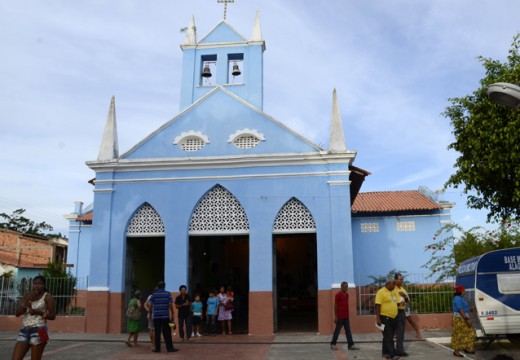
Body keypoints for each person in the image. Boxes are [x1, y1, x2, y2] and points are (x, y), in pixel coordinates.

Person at [12, 275, 56, 360]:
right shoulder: (28, 295)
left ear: (44, 285)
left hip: (40, 330)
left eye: (40, 284)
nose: (37, 286)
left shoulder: (47, 297)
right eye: (35, 283)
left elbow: (53, 316)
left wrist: (38, 312)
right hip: (25, 330)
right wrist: (26, 301)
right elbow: (17, 314)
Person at [149, 281, 178, 353]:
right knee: (167, 333)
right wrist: (172, 312)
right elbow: (170, 304)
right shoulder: (167, 294)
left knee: (157, 332)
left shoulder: (154, 294)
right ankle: (170, 348)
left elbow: (150, 305)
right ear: (164, 286)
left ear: (158, 286)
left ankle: (157, 349)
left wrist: (150, 314)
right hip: (165, 316)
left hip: (156, 316)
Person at [330, 281, 359, 351]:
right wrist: (336, 317)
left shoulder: (347, 295)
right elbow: (335, 306)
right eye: (345, 287)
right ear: (341, 287)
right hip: (340, 317)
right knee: (337, 331)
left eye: (347, 287)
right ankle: (333, 344)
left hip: (346, 316)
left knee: (348, 331)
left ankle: (351, 345)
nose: (347, 288)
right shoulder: (338, 295)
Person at [375, 278, 400, 360]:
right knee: (388, 337)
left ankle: (385, 353)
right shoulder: (381, 292)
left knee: (388, 336)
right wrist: (378, 318)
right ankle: (394, 354)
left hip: (394, 318)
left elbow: (395, 302)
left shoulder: (392, 292)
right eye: (394, 284)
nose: (395, 286)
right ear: (388, 284)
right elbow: (377, 306)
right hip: (385, 318)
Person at [451, 285, 476, 357]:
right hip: (460, 319)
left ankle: (467, 348)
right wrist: (467, 319)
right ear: (461, 291)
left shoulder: (460, 298)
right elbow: (460, 309)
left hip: (462, 317)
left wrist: (469, 309)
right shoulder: (457, 298)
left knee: (470, 333)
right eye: (464, 290)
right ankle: (456, 351)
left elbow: (463, 308)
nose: (464, 291)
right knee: (459, 335)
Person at [393, 274, 409, 357]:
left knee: (401, 332)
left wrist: (405, 296)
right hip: (396, 312)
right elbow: (391, 301)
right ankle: (398, 351)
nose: (401, 281)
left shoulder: (403, 289)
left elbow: (407, 300)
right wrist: (399, 303)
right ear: (395, 280)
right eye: (400, 279)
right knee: (398, 332)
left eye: (402, 279)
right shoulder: (393, 289)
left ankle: (400, 350)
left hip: (402, 312)